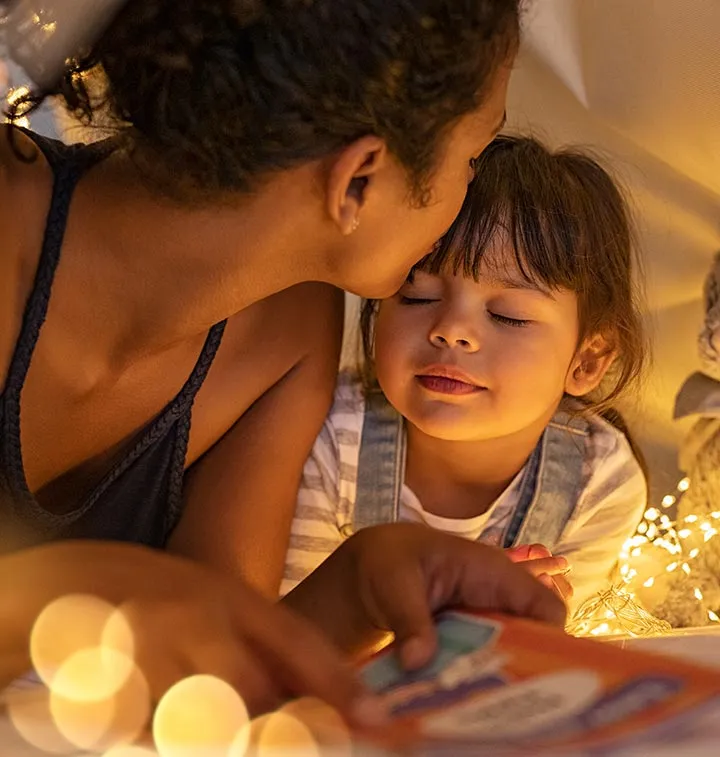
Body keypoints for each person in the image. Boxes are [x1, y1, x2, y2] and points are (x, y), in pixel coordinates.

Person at [0, 0, 567, 722]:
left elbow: (207, 679)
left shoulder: (290, 332)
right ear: (360, 177)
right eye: (473, 156)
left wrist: (361, 586)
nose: (465, 196)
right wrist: (100, 583)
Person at [282, 135, 649, 614]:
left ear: (587, 361)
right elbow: (292, 632)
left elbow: (559, 651)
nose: (452, 331)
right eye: (419, 296)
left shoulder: (599, 480)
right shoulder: (331, 438)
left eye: (508, 315)